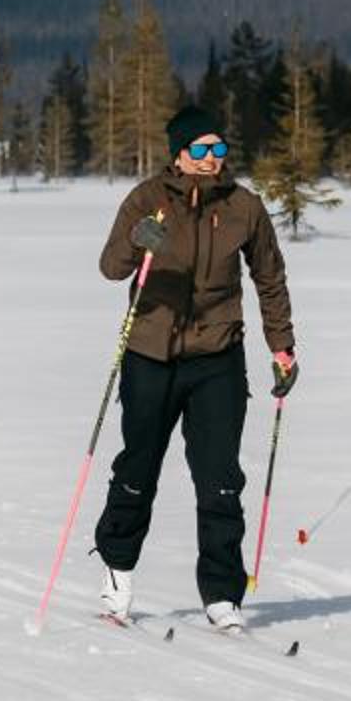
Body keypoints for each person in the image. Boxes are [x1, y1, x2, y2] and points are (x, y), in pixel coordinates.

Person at [93, 105, 297, 632]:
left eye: (218, 148)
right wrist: (137, 240)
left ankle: (223, 595)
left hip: (217, 359)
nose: (211, 158)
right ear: (178, 153)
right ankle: (117, 573)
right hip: (151, 355)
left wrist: (282, 346)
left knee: (220, 479)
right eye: (200, 149)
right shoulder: (148, 200)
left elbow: (269, 278)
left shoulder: (243, 206)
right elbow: (111, 267)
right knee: (138, 470)